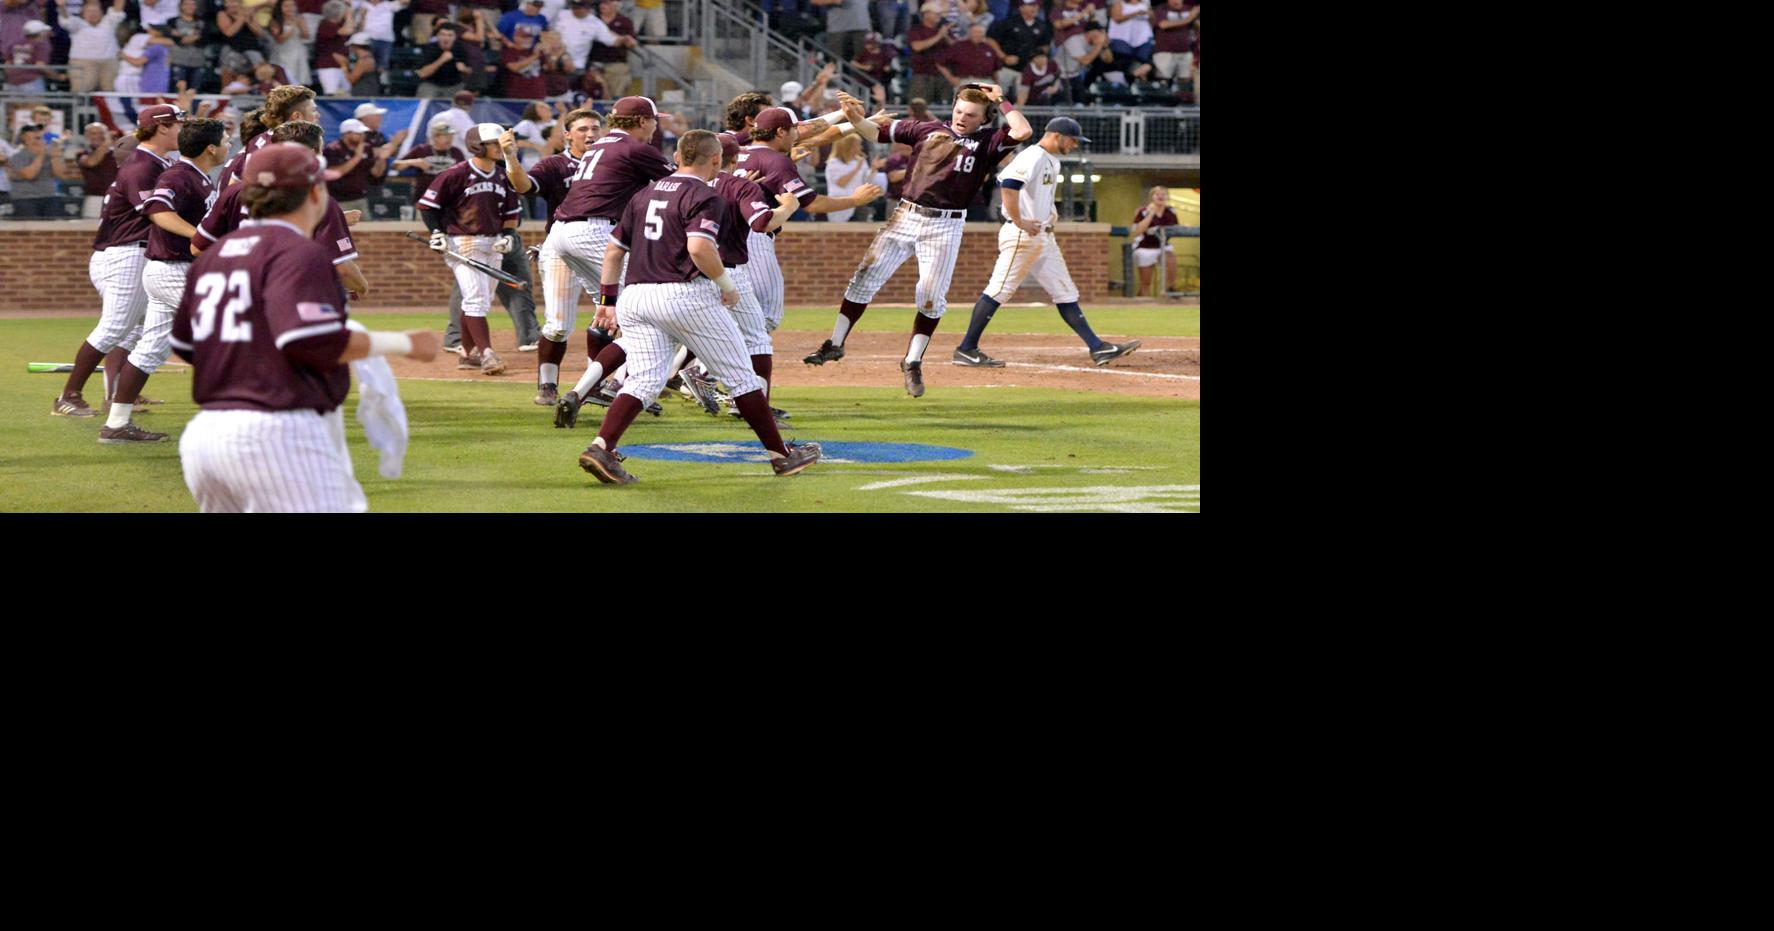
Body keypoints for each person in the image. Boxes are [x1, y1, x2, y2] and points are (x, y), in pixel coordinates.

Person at [171, 143, 440, 513]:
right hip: (277, 435)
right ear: (314, 193)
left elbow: (187, 345)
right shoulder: (299, 251)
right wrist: (403, 343)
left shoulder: (214, 257)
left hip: (205, 437)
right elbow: (313, 341)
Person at [575, 130, 820, 485]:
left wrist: (607, 302)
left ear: (677, 157)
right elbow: (699, 249)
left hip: (636, 296)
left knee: (643, 380)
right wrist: (727, 285)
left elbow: (614, 252)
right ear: (716, 160)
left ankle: (601, 447)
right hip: (684, 294)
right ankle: (782, 455)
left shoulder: (644, 193)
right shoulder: (705, 194)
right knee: (741, 376)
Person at [804, 84, 1032, 398]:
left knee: (931, 296)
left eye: (971, 115)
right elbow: (874, 132)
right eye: (959, 110)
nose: (962, 118)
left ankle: (912, 361)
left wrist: (1001, 99)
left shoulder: (988, 141)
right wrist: (855, 117)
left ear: (984, 118)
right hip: (905, 214)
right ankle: (835, 343)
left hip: (945, 224)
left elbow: (1022, 131)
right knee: (863, 280)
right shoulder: (926, 129)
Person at [952, 117, 1138, 369]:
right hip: (1023, 235)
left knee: (1065, 292)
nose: (1074, 145)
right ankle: (966, 348)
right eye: (1072, 140)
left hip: (1043, 237)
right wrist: (1020, 220)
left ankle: (1098, 347)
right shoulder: (1034, 156)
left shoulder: (1052, 160)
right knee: (999, 290)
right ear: (1057, 135)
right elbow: (1008, 185)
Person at [542, 96, 676, 414]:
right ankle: (618, 386)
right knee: (648, 311)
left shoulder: (600, 145)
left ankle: (603, 384)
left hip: (563, 232)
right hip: (596, 231)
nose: (655, 127)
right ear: (642, 121)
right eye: (654, 121)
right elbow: (682, 184)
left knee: (609, 311)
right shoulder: (635, 148)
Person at [53, 105, 186, 419]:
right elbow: (157, 213)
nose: (183, 130)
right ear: (162, 128)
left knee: (133, 330)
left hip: (133, 251)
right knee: (114, 328)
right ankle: (69, 396)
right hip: (127, 252)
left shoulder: (158, 162)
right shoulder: (142, 165)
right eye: (178, 124)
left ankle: (120, 395)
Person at [100, 118, 228, 444]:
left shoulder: (199, 176)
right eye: (226, 140)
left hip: (174, 269)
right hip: (173, 269)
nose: (229, 145)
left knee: (150, 351)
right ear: (211, 148)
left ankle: (116, 424)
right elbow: (158, 210)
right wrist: (199, 236)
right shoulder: (179, 175)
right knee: (230, 328)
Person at [195, 119, 370, 305]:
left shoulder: (234, 191)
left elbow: (198, 248)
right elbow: (343, 269)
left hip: (234, 298)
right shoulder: (314, 198)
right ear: (312, 153)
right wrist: (362, 287)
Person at [419, 123, 533, 378]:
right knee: (476, 300)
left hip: (494, 243)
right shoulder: (455, 173)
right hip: (463, 242)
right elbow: (427, 207)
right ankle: (486, 353)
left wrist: (508, 236)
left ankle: (467, 353)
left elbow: (512, 214)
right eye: (494, 143)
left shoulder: (504, 175)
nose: (500, 148)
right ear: (477, 145)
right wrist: (437, 233)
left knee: (480, 300)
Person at [522, 106, 600, 405]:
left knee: (611, 317)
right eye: (583, 129)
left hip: (605, 246)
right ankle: (547, 384)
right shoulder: (555, 164)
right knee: (558, 325)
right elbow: (526, 186)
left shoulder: (613, 162)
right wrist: (511, 159)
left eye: (595, 128)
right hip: (561, 247)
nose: (590, 134)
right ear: (567, 135)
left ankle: (597, 383)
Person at [220, 84, 317, 189]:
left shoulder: (258, 139)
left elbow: (233, 186)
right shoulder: (286, 147)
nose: (317, 115)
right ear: (297, 116)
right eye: (313, 110)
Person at [391, 117, 465, 206]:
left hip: (449, 199)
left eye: (451, 136)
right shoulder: (422, 150)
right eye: (446, 136)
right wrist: (413, 162)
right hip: (425, 199)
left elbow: (466, 173)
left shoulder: (456, 152)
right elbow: (395, 166)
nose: (450, 139)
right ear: (435, 137)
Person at [323, 119, 388, 216]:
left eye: (363, 133)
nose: (362, 136)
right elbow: (334, 173)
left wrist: (381, 159)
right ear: (347, 134)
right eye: (358, 133)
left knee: (367, 226)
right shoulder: (332, 150)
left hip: (361, 199)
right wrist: (357, 157)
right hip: (338, 201)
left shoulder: (366, 148)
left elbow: (376, 174)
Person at [60, 0, 126, 95]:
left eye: (95, 11)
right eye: (89, 11)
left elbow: (117, 10)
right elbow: (66, 19)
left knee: (110, 92)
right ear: (83, 13)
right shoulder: (77, 24)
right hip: (83, 63)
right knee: (81, 92)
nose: (92, 14)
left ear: (101, 13)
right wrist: (62, 6)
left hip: (108, 63)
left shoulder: (108, 23)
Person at [989, 0, 1051, 96]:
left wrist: (1037, 58)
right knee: (997, 96)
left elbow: (1045, 46)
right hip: (1006, 67)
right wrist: (1004, 57)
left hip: (1027, 70)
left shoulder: (1042, 25)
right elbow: (991, 40)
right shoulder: (1009, 22)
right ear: (1021, 8)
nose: (1035, 8)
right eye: (1031, 5)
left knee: (1023, 98)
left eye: (1036, 5)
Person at [1129, 184, 1178, 297]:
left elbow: (1175, 228)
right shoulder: (1142, 211)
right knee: (1146, 281)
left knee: (1170, 258)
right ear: (1152, 197)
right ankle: (1143, 299)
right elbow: (1138, 231)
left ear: (1167, 197)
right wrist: (1150, 214)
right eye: (1157, 194)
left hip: (1163, 246)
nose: (1160, 197)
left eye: (1163, 194)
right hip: (1145, 247)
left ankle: (1170, 288)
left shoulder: (1170, 212)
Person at [69, 123, 123, 219]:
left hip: (116, 198)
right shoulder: (82, 154)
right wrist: (106, 144)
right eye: (93, 133)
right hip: (94, 198)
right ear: (86, 136)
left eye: (101, 133)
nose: (97, 136)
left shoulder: (117, 154)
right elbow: (91, 162)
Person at [5, 124, 57, 218]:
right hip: (25, 199)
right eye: (33, 138)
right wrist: (41, 155)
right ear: (24, 139)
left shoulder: (49, 156)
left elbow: (61, 175)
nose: (37, 141)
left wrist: (56, 157)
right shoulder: (17, 157)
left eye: (38, 138)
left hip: (49, 197)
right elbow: (29, 175)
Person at [587, 0, 637, 98]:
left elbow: (633, 43)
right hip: (595, 62)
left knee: (616, 94)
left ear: (616, 5)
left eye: (606, 3)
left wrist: (625, 40)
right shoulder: (592, 20)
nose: (602, 5)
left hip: (616, 63)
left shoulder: (625, 21)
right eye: (602, 3)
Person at [906, 3, 954, 104]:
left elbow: (956, 48)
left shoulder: (943, 30)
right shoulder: (916, 30)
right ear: (926, 14)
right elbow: (917, 47)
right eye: (936, 13)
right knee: (919, 105)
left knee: (945, 105)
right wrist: (939, 36)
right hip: (922, 74)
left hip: (943, 74)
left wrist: (945, 36)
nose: (939, 16)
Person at [416, 21, 474, 97]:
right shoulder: (430, 48)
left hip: (454, 85)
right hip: (431, 84)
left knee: (464, 97)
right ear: (437, 36)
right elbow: (422, 74)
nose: (446, 38)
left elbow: (470, 70)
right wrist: (441, 60)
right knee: (424, 95)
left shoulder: (460, 48)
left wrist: (464, 69)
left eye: (450, 35)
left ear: (455, 37)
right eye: (443, 35)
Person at [822, 133, 869, 223]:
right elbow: (841, 183)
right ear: (849, 146)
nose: (861, 147)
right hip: (839, 203)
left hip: (858, 202)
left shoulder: (861, 161)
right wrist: (856, 169)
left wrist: (874, 169)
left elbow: (866, 181)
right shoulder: (833, 163)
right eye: (857, 145)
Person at [1150, 0, 1196, 90]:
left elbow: (1195, 25)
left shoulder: (1188, 9)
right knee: (1163, 80)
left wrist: (1194, 19)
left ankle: (1183, 96)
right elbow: (1163, 24)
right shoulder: (1161, 9)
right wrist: (1188, 19)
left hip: (1185, 50)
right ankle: (1163, 97)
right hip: (1165, 51)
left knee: (1185, 80)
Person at [1105, 0, 1153, 81]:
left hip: (1142, 38)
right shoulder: (1119, 4)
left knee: (1143, 64)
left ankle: (1141, 84)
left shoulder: (1145, 4)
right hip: (1122, 38)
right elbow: (1116, 18)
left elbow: (1151, 20)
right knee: (1125, 63)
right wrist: (1135, 13)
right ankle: (1126, 82)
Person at [313, 1, 354, 94]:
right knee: (332, 93)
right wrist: (349, 15)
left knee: (347, 93)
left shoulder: (339, 24)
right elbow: (348, 30)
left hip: (342, 66)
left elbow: (351, 29)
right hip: (328, 66)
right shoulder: (325, 25)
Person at [3, 18, 50, 94]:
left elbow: (7, 66)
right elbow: (40, 65)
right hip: (32, 82)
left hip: (13, 83)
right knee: (36, 102)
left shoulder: (14, 44)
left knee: (14, 102)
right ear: (40, 33)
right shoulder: (40, 45)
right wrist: (57, 76)